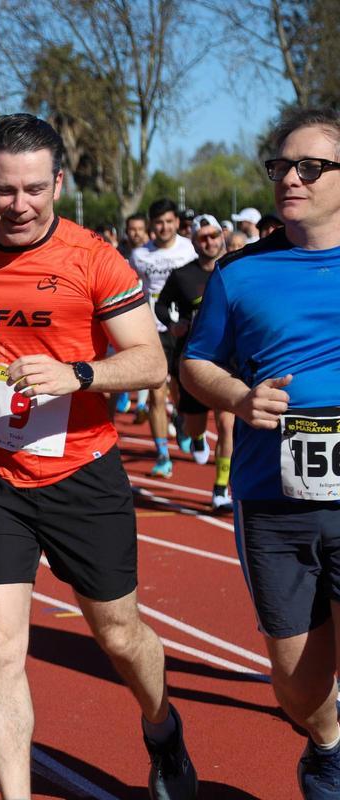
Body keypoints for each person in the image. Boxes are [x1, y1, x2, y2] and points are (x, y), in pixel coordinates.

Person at [0, 113, 196, 799]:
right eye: (5, 190)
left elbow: (152, 361)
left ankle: (162, 728)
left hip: (81, 468)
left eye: (34, 189)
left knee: (119, 634)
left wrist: (80, 374)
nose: (19, 205)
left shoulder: (93, 258)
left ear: (59, 183)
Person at [181, 107, 340, 797]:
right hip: (275, 498)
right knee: (299, 683)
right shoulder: (239, 275)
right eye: (280, 167)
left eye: (310, 167)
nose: (290, 179)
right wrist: (241, 399)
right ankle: (329, 745)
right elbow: (195, 364)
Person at [153, 214, 234, 513]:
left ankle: (220, 489)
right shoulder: (183, 275)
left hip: (230, 362)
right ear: (195, 242)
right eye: (203, 238)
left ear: (222, 236)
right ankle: (196, 436)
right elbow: (161, 305)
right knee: (197, 425)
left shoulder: (236, 268)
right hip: (195, 361)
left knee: (227, 424)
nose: (210, 242)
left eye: (214, 236)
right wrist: (173, 324)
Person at [130, 198, 197, 478]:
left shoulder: (189, 249)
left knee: (182, 390)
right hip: (153, 331)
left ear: (176, 223)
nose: (164, 227)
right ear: (151, 225)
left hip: (183, 330)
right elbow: (132, 289)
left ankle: (182, 421)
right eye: (159, 222)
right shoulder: (140, 255)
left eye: (169, 221)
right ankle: (162, 454)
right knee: (156, 395)